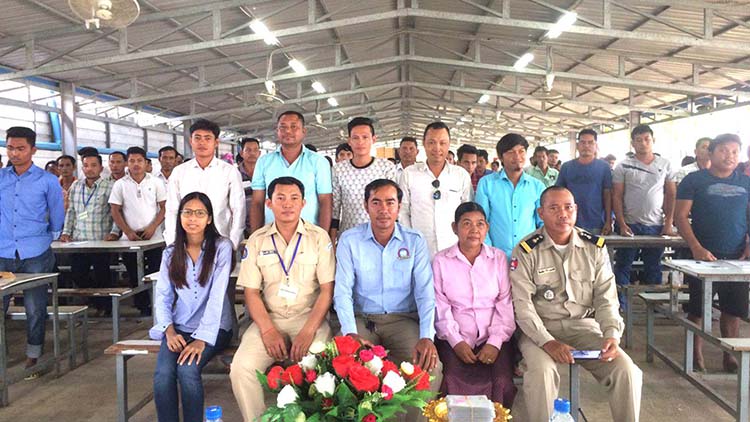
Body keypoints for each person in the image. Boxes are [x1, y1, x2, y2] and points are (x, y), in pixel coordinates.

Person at [510, 186, 642, 422]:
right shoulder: (526, 250)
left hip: (583, 327)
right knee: (542, 373)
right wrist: (548, 342)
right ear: (541, 213)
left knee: (626, 370)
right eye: (554, 208)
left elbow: (606, 297)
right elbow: (522, 306)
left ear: (576, 210)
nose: (563, 214)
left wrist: (611, 334)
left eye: (568, 207)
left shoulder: (594, 248)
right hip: (539, 330)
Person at [334, 179, 443, 415]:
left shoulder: (414, 241)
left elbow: (425, 292)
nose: (383, 209)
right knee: (342, 365)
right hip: (362, 320)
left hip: (402, 320)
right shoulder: (350, 240)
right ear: (366, 206)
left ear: (399, 206)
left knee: (430, 367)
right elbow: (342, 291)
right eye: (376, 202)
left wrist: (427, 336)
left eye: (390, 202)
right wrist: (350, 332)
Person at [230, 177, 334, 421]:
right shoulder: (257, 240)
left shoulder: (319, 237)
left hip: (309, 318)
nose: (288, 204)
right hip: (269, 319)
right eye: (280, 198)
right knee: (241, 368)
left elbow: (327, 290)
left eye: (294, 198)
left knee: (321, 367)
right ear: (269, 203)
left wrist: (308, 330)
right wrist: (268, 330)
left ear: (304, 203)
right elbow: (251, 292)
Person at [151, 192, 234, 422]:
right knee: (163, 375)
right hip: (179, 327)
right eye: (187, 213)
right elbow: (163, 296)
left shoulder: (222, 247)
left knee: (187, 370)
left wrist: (201, 339)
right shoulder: (170, 253)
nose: (192, 218)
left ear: (209, 218)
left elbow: (217, 296)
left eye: (199, 213)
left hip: (215, 328)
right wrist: (169, 330)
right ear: (179, 217)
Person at [675, 134, 750, 373]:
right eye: (724, 150)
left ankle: (730, 354)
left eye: (735, 152)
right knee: (698, 308)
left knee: (733, 310)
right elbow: (680, 217)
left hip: (737, 256)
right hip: (702, 256)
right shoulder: (694, 180)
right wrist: (696, 247)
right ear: (711, 153)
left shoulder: (746, 183)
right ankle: (695, 354)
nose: (730, 156)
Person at [433, 202, 516, 406]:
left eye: (480, 224)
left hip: (494, 337)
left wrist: (494, 342)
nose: (474, 230)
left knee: (501, 381)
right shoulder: (441, 261)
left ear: (487, 228)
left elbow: (505, 303)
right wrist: (456, 342)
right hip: (455, 338)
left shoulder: (498, 258)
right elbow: (440, 306)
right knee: (450, 379)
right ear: (455, 228)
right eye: (466, 223)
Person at [0, 127, 64, 374]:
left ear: (33, 150)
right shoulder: (1, 178)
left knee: (35, 307)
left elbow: (56, 213)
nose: (14, 153)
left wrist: (50, 237)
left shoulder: (47, 180)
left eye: (20, 148)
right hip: (3, 251)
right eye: (10, 148)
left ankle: (34, 354)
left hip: (35, 252)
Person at [612, 124, 676, 306]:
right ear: (633, 143)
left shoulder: (665, 164)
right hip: (630, 224)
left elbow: (671, 194)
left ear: (653, 140)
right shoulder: (623, 165)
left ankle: (654, 305)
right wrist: (621, 224)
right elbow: (617, 196)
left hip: (655, 226)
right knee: (623, 264)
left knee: (653, 265)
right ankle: (620, 304)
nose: (643, 143)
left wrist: (668, 223)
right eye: (638, 140)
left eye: (647, 139)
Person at [165, 119, 245, 249]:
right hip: (186, 243)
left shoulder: (229, 171)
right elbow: (172, 209)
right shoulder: (179, 172)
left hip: (220, 241)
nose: (202, 142)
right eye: (197, 138)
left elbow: (238, 209)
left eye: (207, 138)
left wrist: (232, 243)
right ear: (191, 141)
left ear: (216, 143)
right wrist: (173, 243)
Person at [250, 110, 332, 233]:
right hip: (271, 235)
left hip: (308, 235)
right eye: (283, 127)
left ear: (303, 131)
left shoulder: (319, 162)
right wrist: (255, 236)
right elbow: (257, 202)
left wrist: (322, 236)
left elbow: (325, 201)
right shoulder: (264, 162)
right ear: (277, 131)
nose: (288, 131)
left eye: (294, 127)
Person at [399, 122, 472, 257]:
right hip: (419, 249)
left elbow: (467, 212)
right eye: (431, 142)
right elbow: (403, 211)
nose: (437, 148)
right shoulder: (409, 174)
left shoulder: (461, 175)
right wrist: (410, 241)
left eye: (442, 143)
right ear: (424, 143)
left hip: (453, 248)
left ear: (449, 144)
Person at [110, 146, 166, 316]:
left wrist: (152, 227)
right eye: (132, 161)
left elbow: (164, 207)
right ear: (127, 163)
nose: (136, 164)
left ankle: (157, 306)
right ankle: (143, 307)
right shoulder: (120, 184)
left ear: (146, 162)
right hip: (130, 239)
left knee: (155, 271)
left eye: (139, 161)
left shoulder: (156, 182)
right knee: (134, 273)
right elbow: (115, 210)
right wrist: (127, 231)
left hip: (154, 237)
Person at [60, 152, 120, 315]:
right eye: (86, 165)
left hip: (101, 240)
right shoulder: (76, 186)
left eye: (94, 165)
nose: (89, 169)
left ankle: (107, 309)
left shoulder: (110, 187)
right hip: (79, 240)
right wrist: (66, 232)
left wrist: (114, 233)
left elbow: (116, 212)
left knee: (102, 275)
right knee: (77, 274)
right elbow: (71, 211)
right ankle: (96, 301)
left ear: (101, 168)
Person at [476, 133, 544, 258]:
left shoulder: (537, 186)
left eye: (521, 151)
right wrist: (489, 252)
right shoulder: (487, 184)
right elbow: (481, 221)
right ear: (501, 157)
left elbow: (543, 223)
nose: (517, 156)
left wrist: (536, 250)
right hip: (496, 256)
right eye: (511, 152)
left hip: (529, 256)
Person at [331, 117, 395, 239]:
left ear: (373, 139)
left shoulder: (386, 167)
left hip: (381, 236)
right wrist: (332, 240)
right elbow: (335, 208)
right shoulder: (338, 170)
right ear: (349, 141)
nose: (360, 142)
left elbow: (393, 204)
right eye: (355, 138)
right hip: (349, 237)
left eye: (365, 137)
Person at [556, 128, 613, 234]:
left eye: (590, 142)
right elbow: (559, 194)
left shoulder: (604, 167)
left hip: (597, 223)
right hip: (570, 222)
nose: (586, 146)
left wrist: (608, 221)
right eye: (583, 142)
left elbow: (608, 195)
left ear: (596, 146)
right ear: (577, 145)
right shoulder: (567, 167)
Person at [238, 137, 261, 235]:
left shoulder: (265, 173)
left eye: (255, 150)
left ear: (259, 153)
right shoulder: (234, 175)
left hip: (263, 223)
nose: (252, 153)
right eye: (248, 150)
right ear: (241, 153)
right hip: (241, 226)